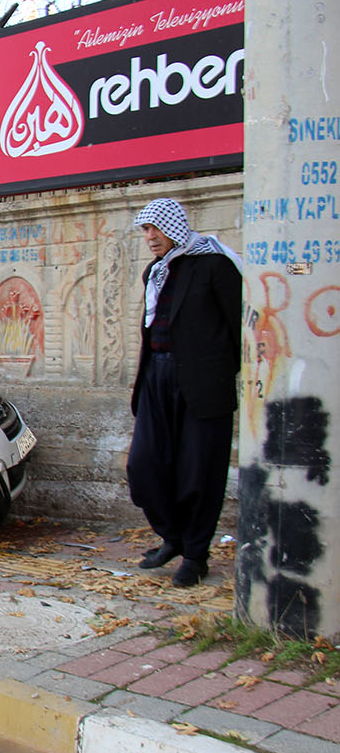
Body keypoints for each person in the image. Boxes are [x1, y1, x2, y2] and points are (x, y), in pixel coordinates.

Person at [126, 198, 243, 587]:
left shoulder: (214, 265)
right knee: (144, 465)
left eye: (154, 229)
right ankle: (172, 537)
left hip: (202, 384)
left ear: (173, 228)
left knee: (199, 473)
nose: (150, 237)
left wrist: (222, 374)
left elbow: (238, 325)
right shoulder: (154, 272)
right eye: (145, 230)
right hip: (156, 378)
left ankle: (195, 554)